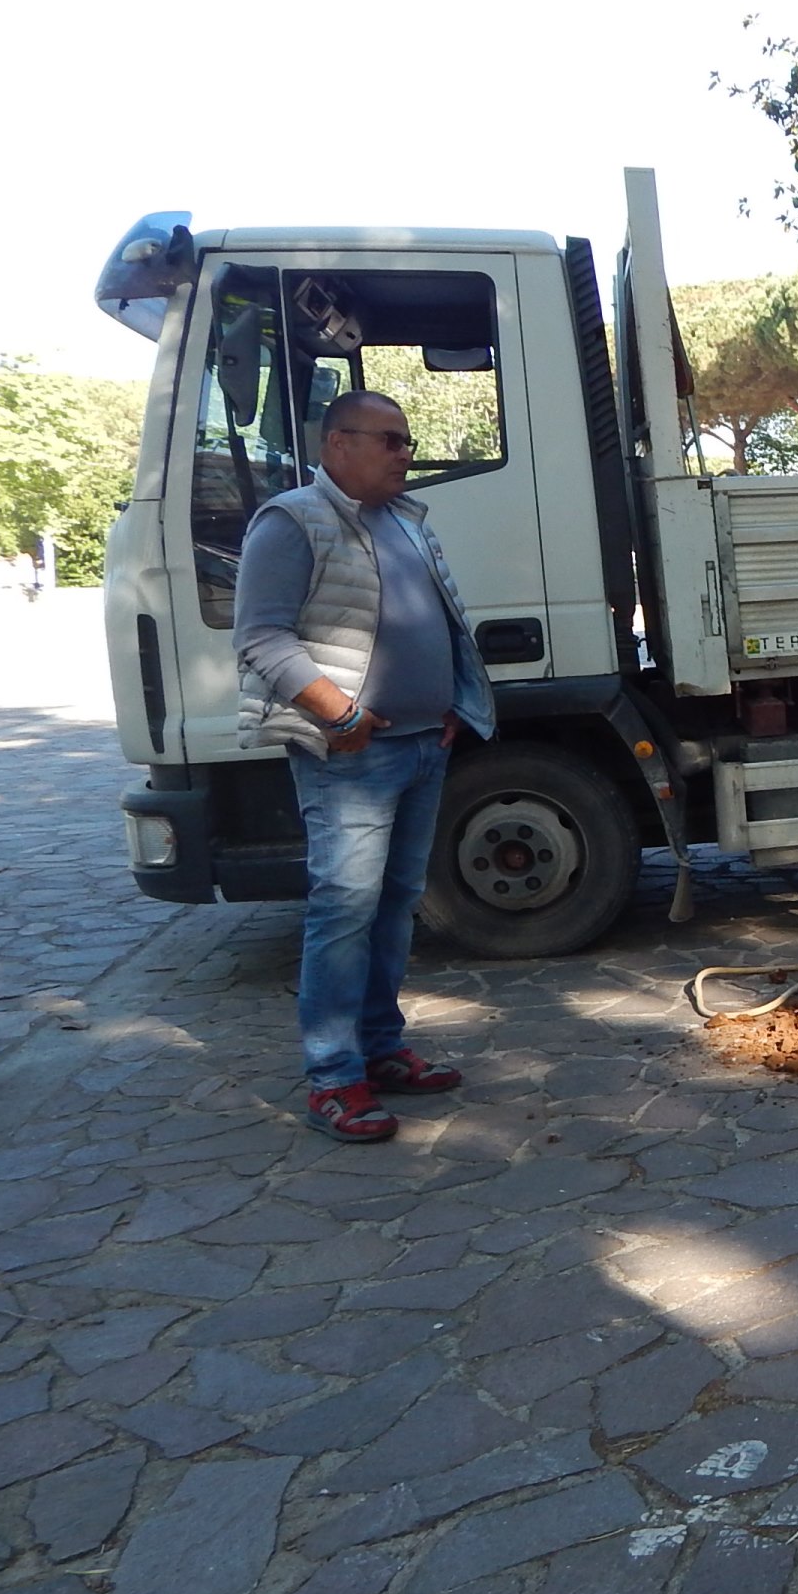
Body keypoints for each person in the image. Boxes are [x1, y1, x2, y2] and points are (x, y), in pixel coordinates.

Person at [234, 391, 496, 1143]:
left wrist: (454, 703)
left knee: (394, 904)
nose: (404, 453)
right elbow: (262, 637)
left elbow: (445, 621)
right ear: (337, 444)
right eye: (390, 440)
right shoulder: (292, 521)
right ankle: (333, 1078)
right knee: (344, 910)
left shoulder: (408, 519)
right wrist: (339, 713)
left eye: (406, 440)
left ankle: (381, 1049)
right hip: (351, 754)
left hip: (424, 743)